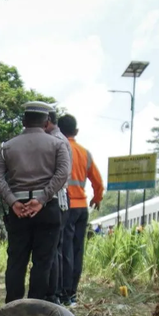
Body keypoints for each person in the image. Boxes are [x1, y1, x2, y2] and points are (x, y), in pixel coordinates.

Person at [0, 101, 70, 303]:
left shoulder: (7, 147)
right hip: (47, 208)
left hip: (18, 210)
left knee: (16, 260)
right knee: (43, 261)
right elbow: (63, 174)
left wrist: (12, 201)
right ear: (46, 122)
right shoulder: (58, 145)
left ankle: (13, 307)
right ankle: (36, 307)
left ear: (24, 121)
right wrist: (41, 199)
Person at [58, 114, 104, 306]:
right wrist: (97, 198)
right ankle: (73, 293)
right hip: (82, 208)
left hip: (64, 206)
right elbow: (98, 181)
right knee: (78, 250)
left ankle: (64, 293)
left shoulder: (59, 149)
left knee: (64, 251)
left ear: (57, 130)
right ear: (76, 132)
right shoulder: (85, 153)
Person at [45, 110, 72, 302]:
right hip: (59, 198)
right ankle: (56, 291)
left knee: (53, 248)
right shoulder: (58, 139)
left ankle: (53, 293)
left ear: (47, 121)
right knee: (56, 248)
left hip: (57, 199)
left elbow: (61, 175)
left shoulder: (56, 141)